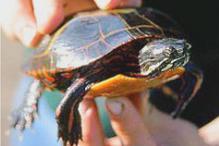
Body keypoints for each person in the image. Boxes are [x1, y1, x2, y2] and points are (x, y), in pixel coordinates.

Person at [1, 0, 218, 146]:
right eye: (172, 51)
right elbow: (78, 84)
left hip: (193, 130)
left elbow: (190, 69)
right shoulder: (110, 59)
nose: (181, 52)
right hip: (48, 124)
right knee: (52, 80)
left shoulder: (174, 57)